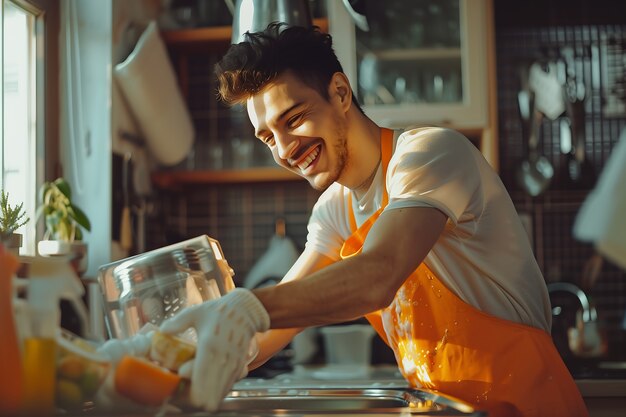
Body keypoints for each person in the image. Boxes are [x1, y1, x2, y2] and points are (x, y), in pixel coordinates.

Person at [159, 23, 589, 417]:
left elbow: (377, 275)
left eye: (293, 119)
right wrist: (165, 358)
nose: (284, 149)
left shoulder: (428, 154)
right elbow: (267, 335)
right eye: (268, 136)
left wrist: (244, 307)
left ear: (341, 93)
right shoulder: (334, 210)